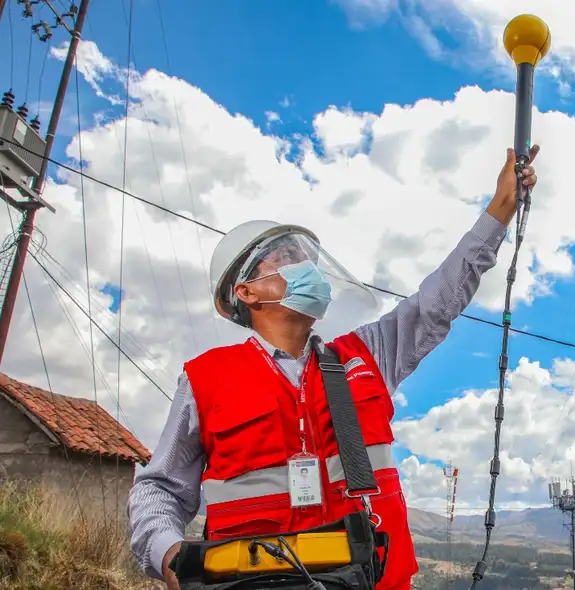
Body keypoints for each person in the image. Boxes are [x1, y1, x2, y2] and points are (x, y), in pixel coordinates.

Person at [127, 146, 541, 590]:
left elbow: (435, 305)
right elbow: (159, 490)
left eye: (305, 257)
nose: (306, 267)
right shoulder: (205, 380)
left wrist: (498, 211)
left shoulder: (366, 354)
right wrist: (169, 554)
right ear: (246, 292)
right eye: (286, 258)